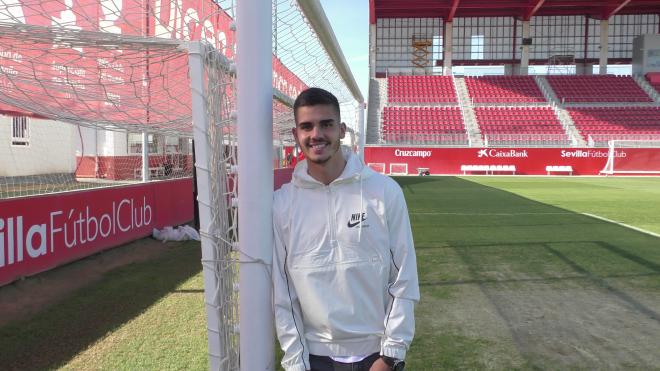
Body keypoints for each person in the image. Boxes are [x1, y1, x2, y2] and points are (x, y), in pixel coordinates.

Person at [272, 87, 419, 371]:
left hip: (376, 354)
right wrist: (296, 363)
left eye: (326, 124)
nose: (316, 134)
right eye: (307, 126)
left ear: (341, 129)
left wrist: (391, 355)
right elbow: (282, 292)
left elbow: (404, 276)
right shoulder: (282, 204)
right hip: (314, 357)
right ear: (295, 135)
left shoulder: (383, 191)